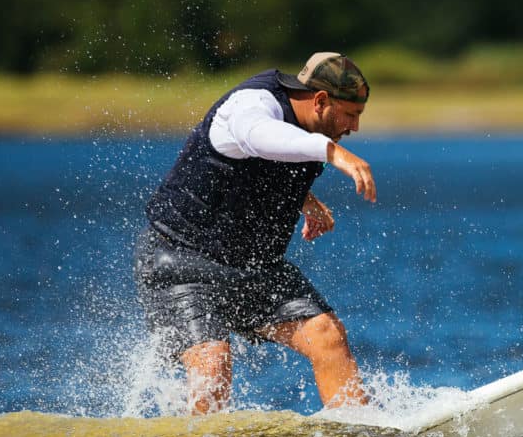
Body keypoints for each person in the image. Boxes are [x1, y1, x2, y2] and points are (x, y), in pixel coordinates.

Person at [135, 52, 376, 415]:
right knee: (213, 365)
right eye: (351, 115)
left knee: (326, 335)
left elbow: (258, 169)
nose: (354, 127)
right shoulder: (252, 105)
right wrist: (335, 154)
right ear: (321, 101)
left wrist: (304, 200)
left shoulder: (314, 126)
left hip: (251, 267)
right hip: (180, 261)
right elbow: (259, 139)